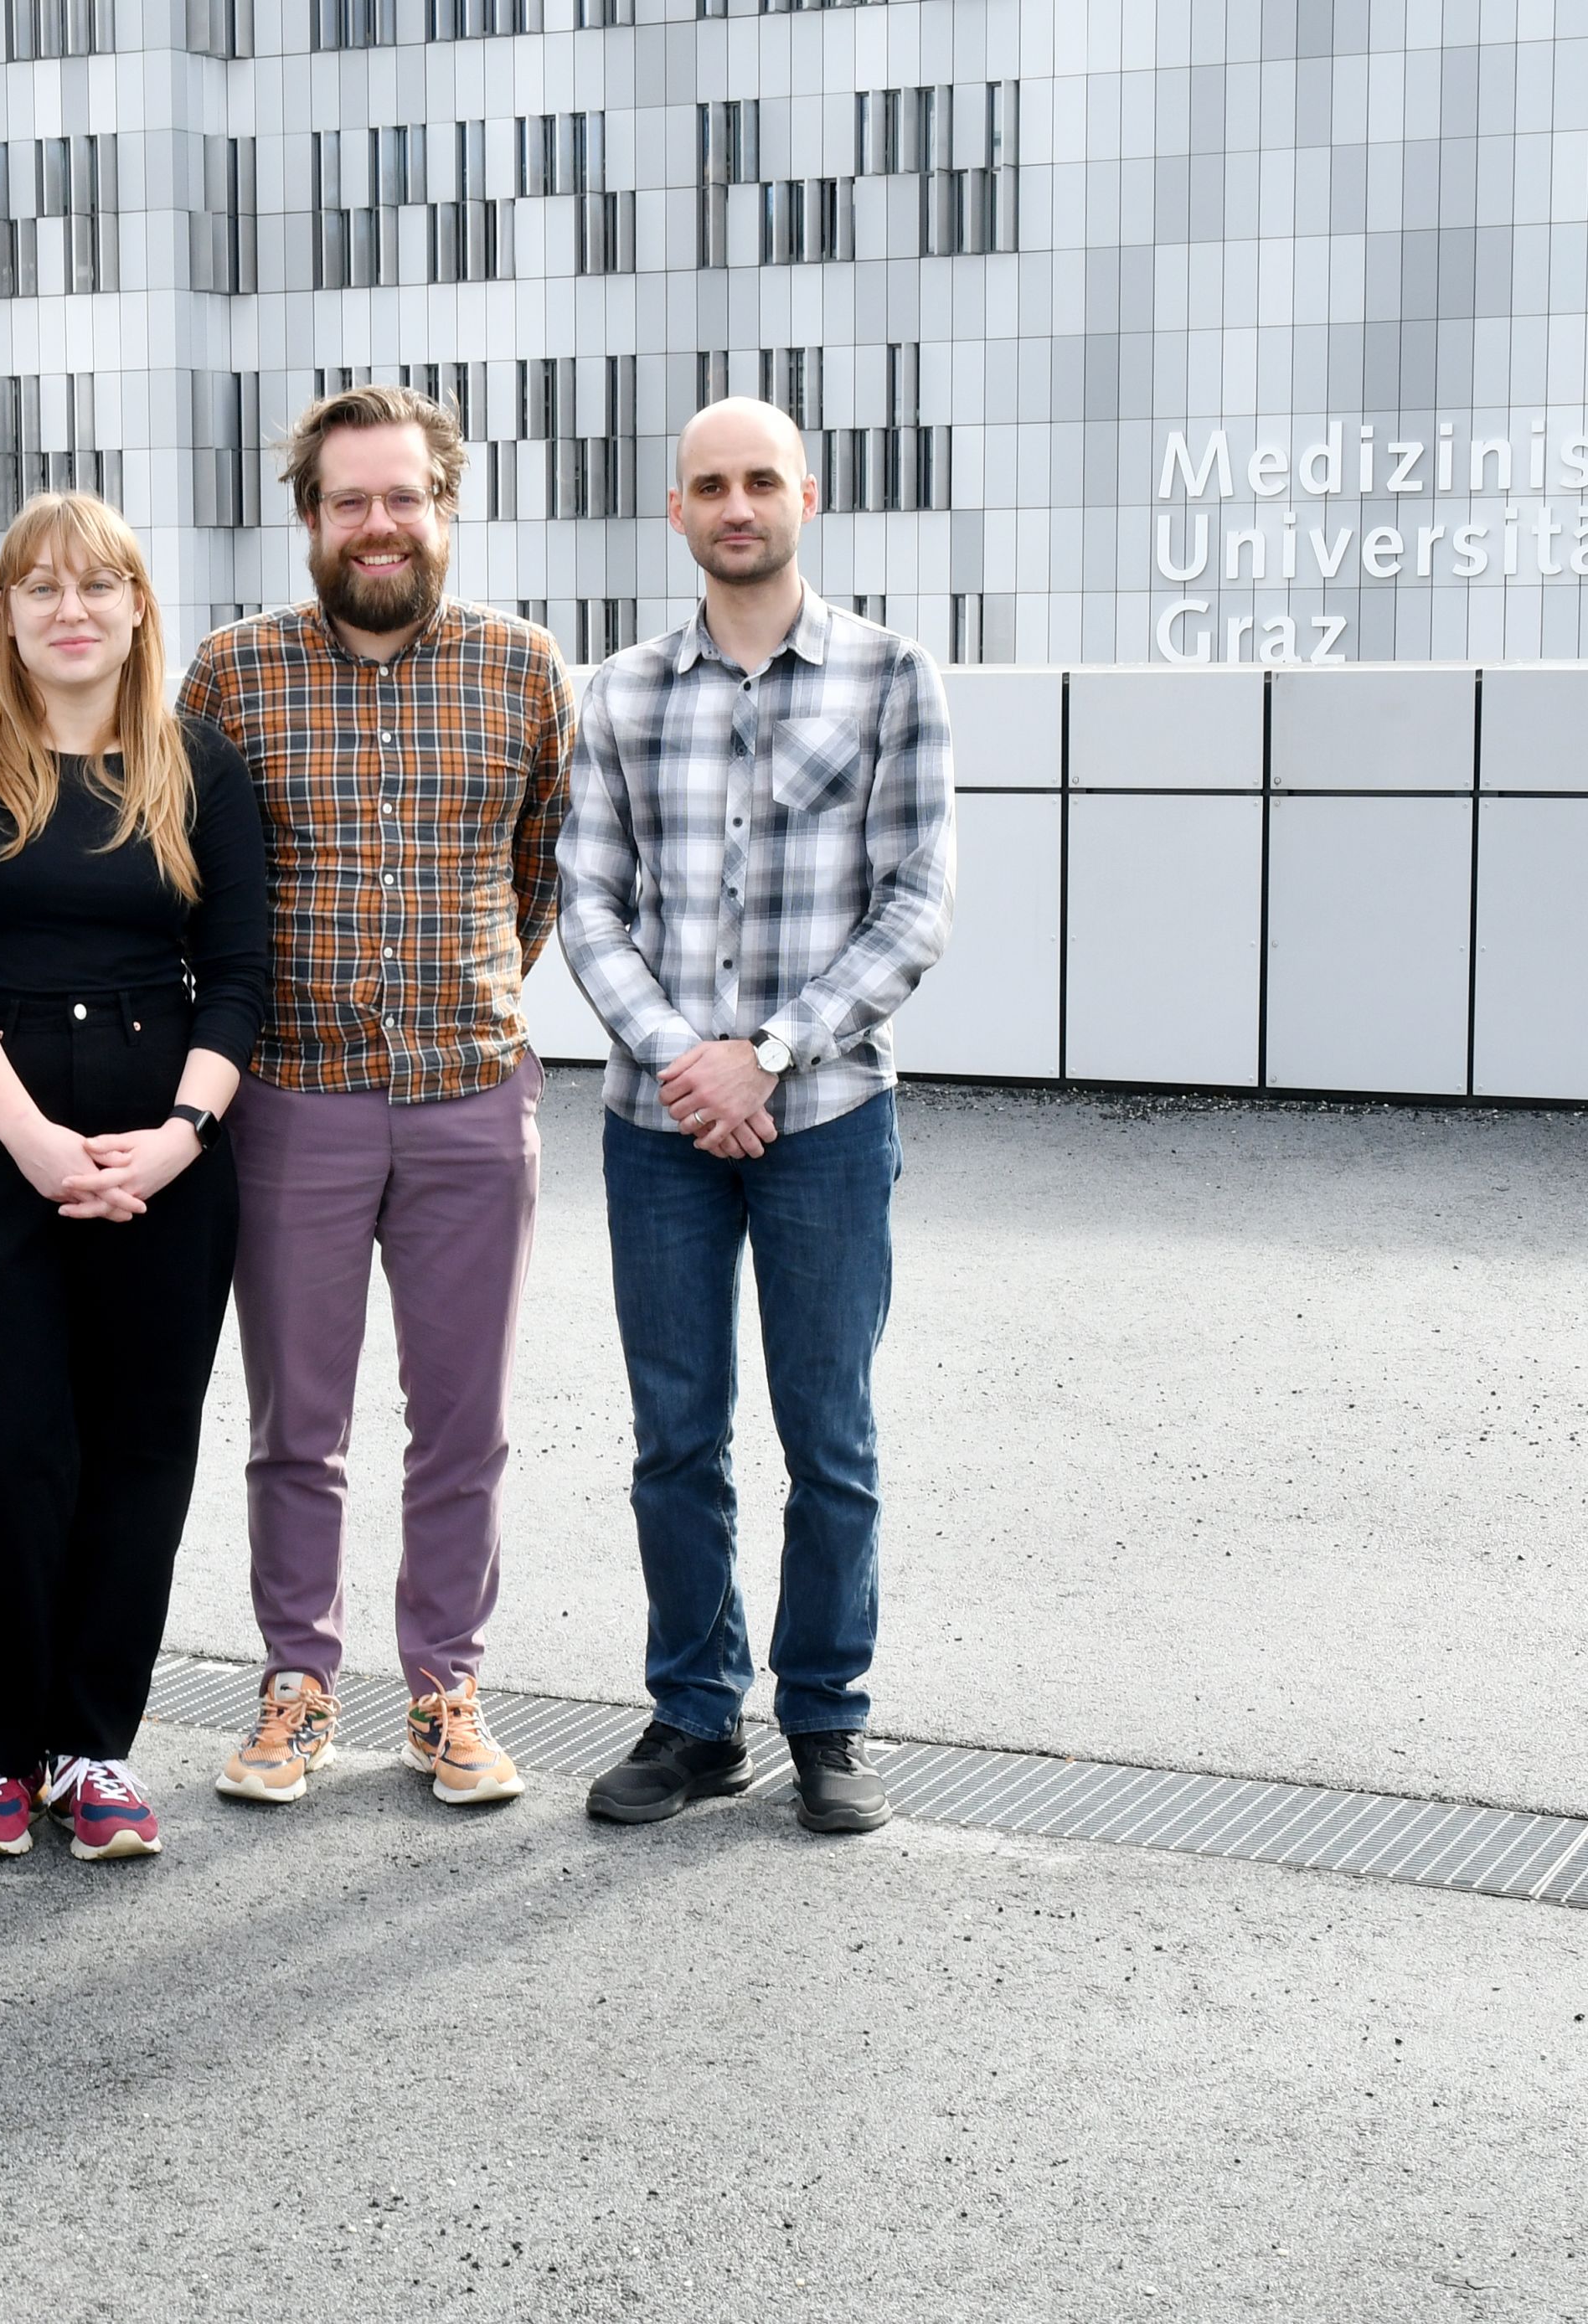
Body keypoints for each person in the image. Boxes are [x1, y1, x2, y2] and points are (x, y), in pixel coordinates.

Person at [557, 397, 956, 1835]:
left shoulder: (890, 675)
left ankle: (827, 1722)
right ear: (678, 511)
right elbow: (586, 905)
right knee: (676, 1434)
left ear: (807, 496)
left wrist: (771, 1054)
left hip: (832, 1111)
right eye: (710, 485)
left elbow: (917, 901)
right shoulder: (617, 692)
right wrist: (688, 1062)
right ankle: (692, 1716)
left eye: (761, 482)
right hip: (659, 1121)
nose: (737, 505)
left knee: (827, 1432)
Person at [178, 384, 572, 1816]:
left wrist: (469, 994)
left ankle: (445, 1689)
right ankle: (296, 1685)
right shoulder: (230, 674)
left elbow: (535, 874)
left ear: (446, 509)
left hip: (473, 1094)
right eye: (350, 500)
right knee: (299, 1420)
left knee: (464, 1422)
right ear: (308, 521)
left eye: (404, 497)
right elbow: (198, 881)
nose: (379, 524)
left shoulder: (527, 672)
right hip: (296, 1100)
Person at [0, 492, 271, 1863]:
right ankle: (2, 1755)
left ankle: (95, 1751)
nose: (69, 610)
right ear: (4, 614)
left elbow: (236, 980)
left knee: (135, 1456)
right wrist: (33, 1141)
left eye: (97, 586)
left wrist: (178, 1139)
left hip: (164, 1157)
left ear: (137, 609)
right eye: (40, 588)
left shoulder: (196, 766)